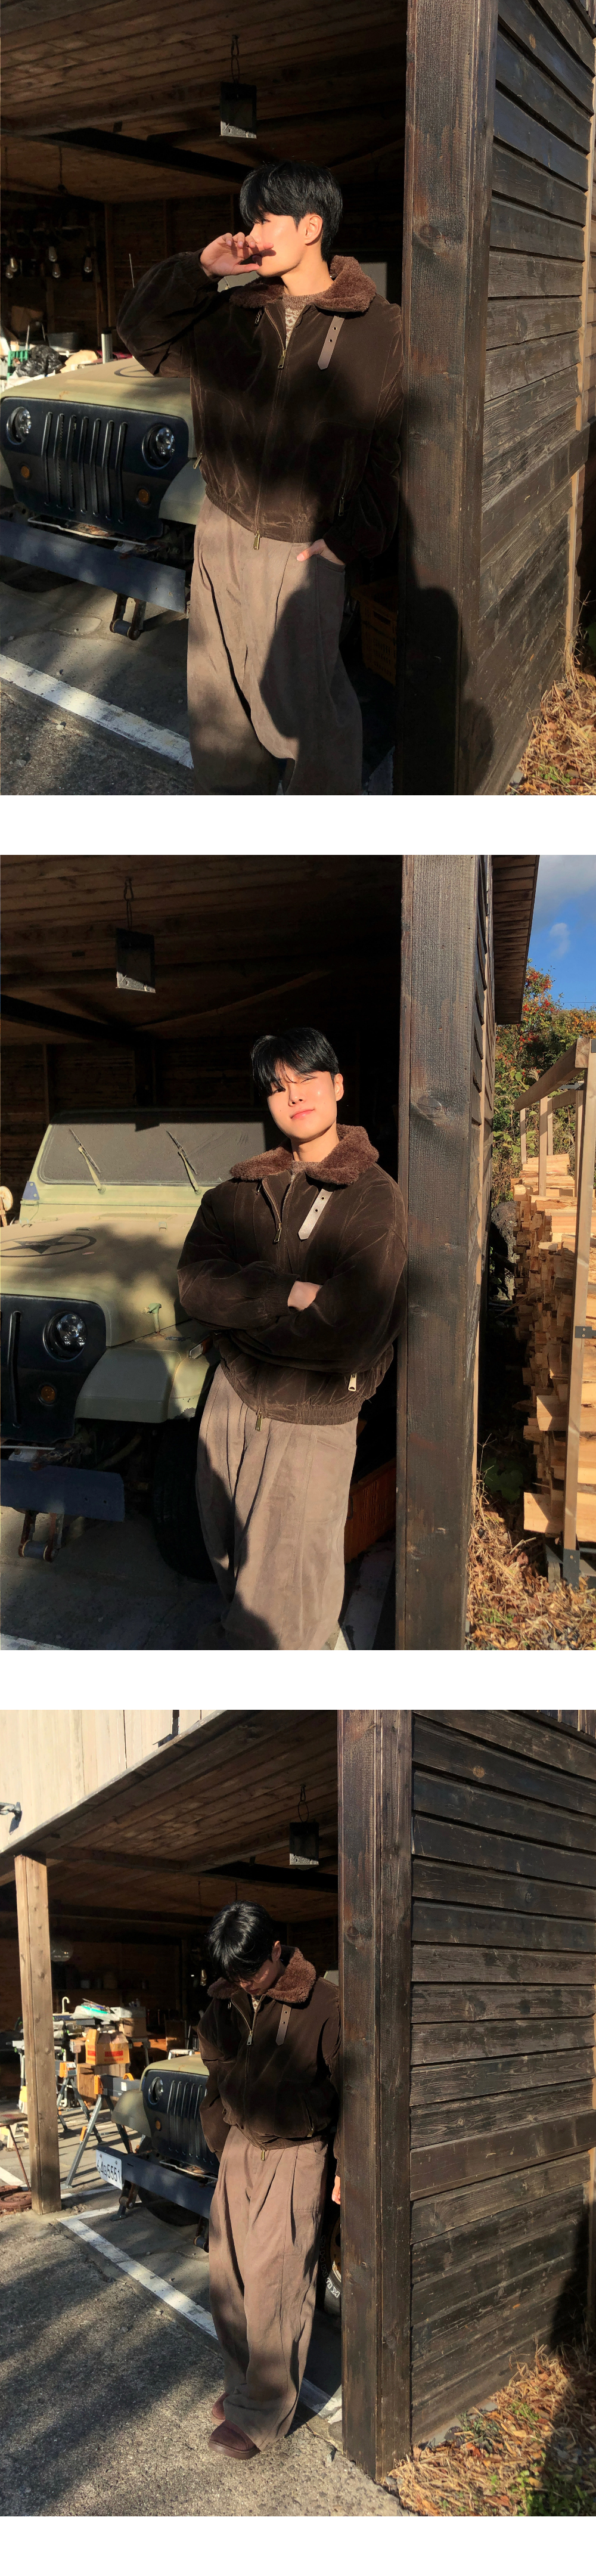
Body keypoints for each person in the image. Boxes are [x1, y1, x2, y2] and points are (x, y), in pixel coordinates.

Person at [117, 162, 403, 795]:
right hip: (220, 530)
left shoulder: (382, 328)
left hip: (301, 551)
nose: (251, 234)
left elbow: (389, 450)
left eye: (265, 219)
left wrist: (346, 544)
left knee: (310, 716)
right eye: (250, 219)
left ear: (311, 226)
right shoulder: (230, 313)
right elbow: (141, 336)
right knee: (218, 704)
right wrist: (201, 270)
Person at [177, 1024, 407, 1649]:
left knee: (286, 1603)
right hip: (230, 1403)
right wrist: (283, 1293)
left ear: (338, 1085)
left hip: (312, 1414)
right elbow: (195, 1286)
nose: (295, 1094)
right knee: (228, 1561)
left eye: (307, 1078)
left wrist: (237, 1328)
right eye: (278, 1086)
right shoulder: (234, 1195)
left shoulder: (373, 1198)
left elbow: (352, 1330)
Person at [198, 1901, 341, 2460]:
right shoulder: (226, 1999)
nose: (243, 1982)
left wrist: (345, 2164)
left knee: (275, 2280)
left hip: (297, 2152)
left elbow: (353, 2087)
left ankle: (263, 2411)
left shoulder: (324, 2002)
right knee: (228, 2276)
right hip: (240, 2145)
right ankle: (242, 2389)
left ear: (277, 1950)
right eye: (233, 1973)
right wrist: (220, 2136)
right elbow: (214, 2068)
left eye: (251, 1970)